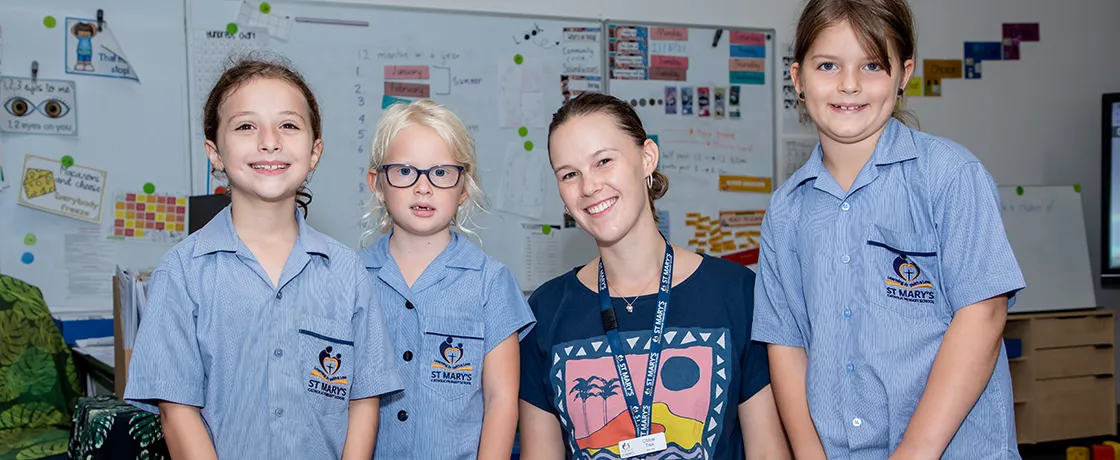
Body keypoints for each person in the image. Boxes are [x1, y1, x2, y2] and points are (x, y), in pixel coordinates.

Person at [752, 0, 1026, 458]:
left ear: (903, 75)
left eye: (873, 65)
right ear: (798, 79)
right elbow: (786, 344)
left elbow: (983, 316)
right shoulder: (786, 211)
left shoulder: (950, 175)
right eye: (828, 65)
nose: (850, 84)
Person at [124, 55, 403, 460]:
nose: (269, 140)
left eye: (288, 125)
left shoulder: (347, 272)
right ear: (214, 153)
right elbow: (177, 413)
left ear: (314, 152)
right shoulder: (182, 272)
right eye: (245, 126)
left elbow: (364, 401)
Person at [518, 93, 789, 460]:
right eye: (569, 174)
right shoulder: (547, 311)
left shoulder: (737, 293)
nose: (588, 186)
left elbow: (767, 450)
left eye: (604, 161)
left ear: (647, 158)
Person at [358, 99, 535, 460]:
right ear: (377, 184)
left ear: (464, 187)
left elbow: (501, 400)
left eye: (441, 173)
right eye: (405, 172)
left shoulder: (491, 282)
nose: (423, 188)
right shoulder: (350, 277)